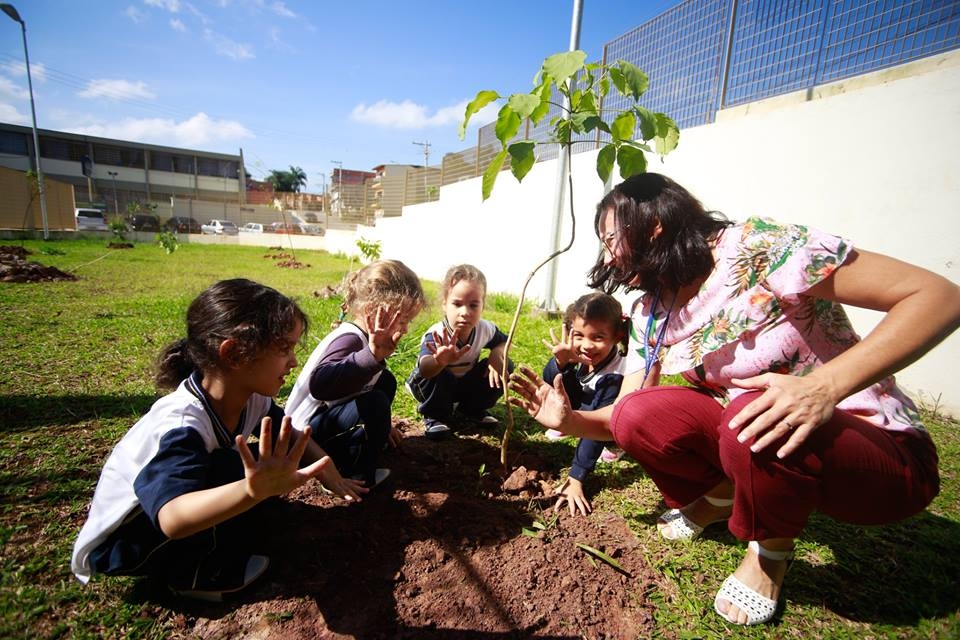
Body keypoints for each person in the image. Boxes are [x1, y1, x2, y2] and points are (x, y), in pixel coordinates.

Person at [509, 172, 959, 626]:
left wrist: (826, 386)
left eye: (611, 239)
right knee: (640, 412)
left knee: (752, 409)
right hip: (759, 433)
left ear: (653, 227)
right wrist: (571, 422)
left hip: (883, 460)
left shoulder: (758, 248)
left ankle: (769, 554)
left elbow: (939, 298)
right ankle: (721, 495)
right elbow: (622, 414)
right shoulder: (654, 309)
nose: (608, 255)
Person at [71, 279, 366, 601]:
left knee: (250, 461)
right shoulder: (182, 425)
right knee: (231, 468)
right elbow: (173, 518)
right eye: (284, 349)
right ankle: (194, 574)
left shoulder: (252, 395)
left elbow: (292, 434)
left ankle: (229, 530)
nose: (294, 361)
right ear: (235, 353)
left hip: (167, 512)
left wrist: (330, 472)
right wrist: (251, 490)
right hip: (129, 541)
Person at [286, 259, 426, 487]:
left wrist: (382, 426)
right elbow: (321, 385)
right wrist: (370, 356)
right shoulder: (349, 338)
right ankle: (351, 472)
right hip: (304, 439)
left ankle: (367, 441)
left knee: (385, 380)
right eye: (402, 320)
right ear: (374, 311)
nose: (406, 328)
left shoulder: (362, 339)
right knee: (374, 404)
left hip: (325, 425)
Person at [541, 292, 630, 516]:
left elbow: (599, 421)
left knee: (603, 419)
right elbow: (550, 381)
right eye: (579, 335)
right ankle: (570, 423)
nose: (586, 345)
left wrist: (576, 476)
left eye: (598, 337)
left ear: (617, 336)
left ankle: (614, 445)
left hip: (608, 424)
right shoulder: (579, 356)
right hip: (588, 407)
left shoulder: (615, 376)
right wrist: (561, 362)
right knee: (564, 379)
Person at [406, 264, 513, 440]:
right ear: (444, 304)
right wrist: (438, 361)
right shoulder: (437, 334)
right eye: (457, 304)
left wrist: (496, 353)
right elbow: (425, 370)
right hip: (430, 386)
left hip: (462, 383)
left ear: (483, 305)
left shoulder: (485, 329)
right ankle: (434, 416)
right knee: (441, 373)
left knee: (505, 365)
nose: (465, 312)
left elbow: (504, 341)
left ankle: (471, 408)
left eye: (473, 305)